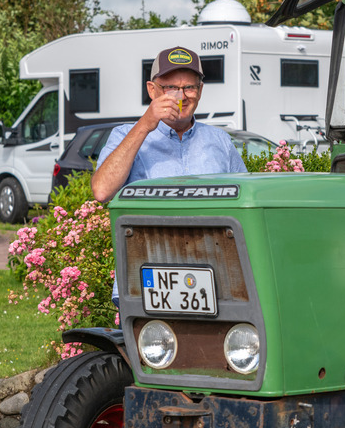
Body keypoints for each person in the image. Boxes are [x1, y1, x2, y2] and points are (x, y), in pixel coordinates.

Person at [91, 45, 246, 307]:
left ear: (200, 91)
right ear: (152, 90)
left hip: (216, 278)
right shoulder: (125, 135)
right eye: (170, 88)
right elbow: (102, 191)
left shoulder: (220, 141)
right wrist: (146, 124)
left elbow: (242, 205)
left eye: (189, 87)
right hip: (147, 277)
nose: (181, 96)